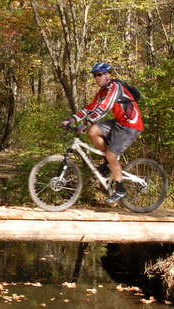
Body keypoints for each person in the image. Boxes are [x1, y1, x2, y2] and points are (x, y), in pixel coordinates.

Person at [61, 62, 144, 206]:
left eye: (99, 74)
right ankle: (109, 163)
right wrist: (72, 119)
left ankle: (120, 189)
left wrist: (84, 124)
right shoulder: (102, 91)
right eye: (95, 75)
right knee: (93, 131)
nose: (97, 78)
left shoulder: (115, 88)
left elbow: (103, 109)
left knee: (111, 154)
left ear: (107, 75)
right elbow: (91, 108)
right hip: (119, 123)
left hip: (131, 126)